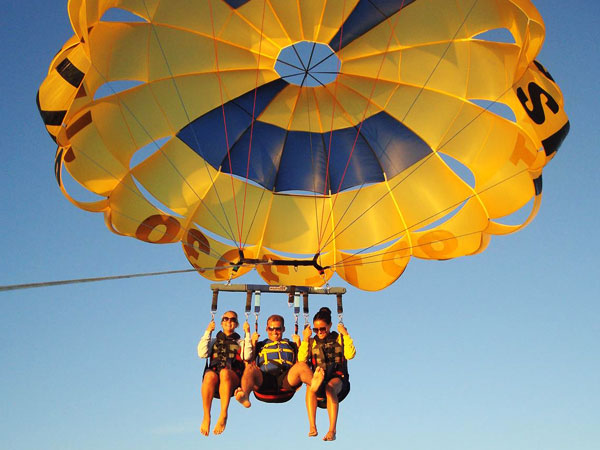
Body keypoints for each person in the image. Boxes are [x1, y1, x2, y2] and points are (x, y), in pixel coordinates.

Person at [234, 314, 324, 409]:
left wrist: (304, 339)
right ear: (266, 329)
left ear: (283, 329)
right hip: (264, 379)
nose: (274, 332)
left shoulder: (291, 345)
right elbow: (248, 359)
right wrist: (252, 342)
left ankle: (315, 386)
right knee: (250, 368)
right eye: (271, 329)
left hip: (287, 379)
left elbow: (302, 359)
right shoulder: (260, 345)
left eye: (278, 329)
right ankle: (244, 396)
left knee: (301, 365)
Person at [299, 307, 356, 441]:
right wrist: (306, 338)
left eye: (322, 329)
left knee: (330, 387)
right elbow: (301, 360)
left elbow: (350, 354)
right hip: (320, 379)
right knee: (310, 386)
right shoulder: (312, 342)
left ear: (330, 326)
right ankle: (312, 426)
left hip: (338, 379)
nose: (319, 332)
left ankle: (332, 430)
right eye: (316, 330)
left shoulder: (339, 338)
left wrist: (346, 335)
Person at [197, 311, 252, 436]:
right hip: (215, 380)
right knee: (209, 375)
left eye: (232, 320)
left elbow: (247, 355)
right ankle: (206, 416)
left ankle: (223, 414)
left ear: (236, 324)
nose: (229, 322)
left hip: (232, 379)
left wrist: (248, 333)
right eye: (226, 319)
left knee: (225, 373)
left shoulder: (240, 342)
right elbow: (202, 353)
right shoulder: (214, 341)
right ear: (222, 322)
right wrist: (208, 332)